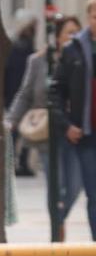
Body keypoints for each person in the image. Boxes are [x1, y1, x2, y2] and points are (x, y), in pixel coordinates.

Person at [10, 15, 84, 240]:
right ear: (57, 36)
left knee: (74, 185)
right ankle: (56, 237)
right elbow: (25, 93)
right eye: (68, 32)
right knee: (56, 186)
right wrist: (11, 120)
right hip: (48, 132)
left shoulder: (82, 58)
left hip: (76, 132)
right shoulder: (39, 61)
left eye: (76, 32)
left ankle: (58, 222)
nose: (72, 37)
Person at [51, 0, 96, 252]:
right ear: (88, 18)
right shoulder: (74, 50)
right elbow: (56, 91)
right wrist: (67, 124)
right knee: (93, 195)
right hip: (86, 134)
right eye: (94, 16)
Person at [6, 9, 38, 177]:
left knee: (24, 131)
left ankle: (22, 162)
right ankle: (16, 162)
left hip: (23, 92)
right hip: (16, 92)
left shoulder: (28, 45)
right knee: (17, 131)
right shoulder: (16, 46)